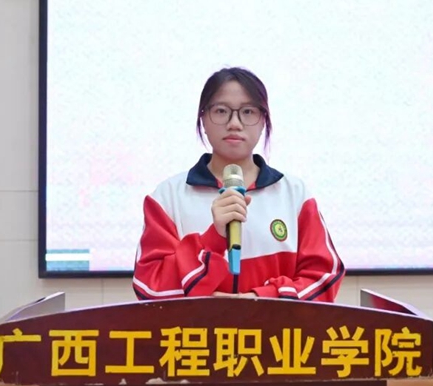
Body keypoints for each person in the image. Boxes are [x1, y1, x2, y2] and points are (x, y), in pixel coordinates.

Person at [132, 67, 345, 302]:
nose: (234, 123)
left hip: (274, 327)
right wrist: (213, 239)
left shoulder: (294, 194)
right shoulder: (168, 197)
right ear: (203, 119)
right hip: (197, 327)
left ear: (263, 121)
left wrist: (258, 300)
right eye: (221, 111)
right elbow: (150, 288)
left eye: (248, 112)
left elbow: (323, 278)